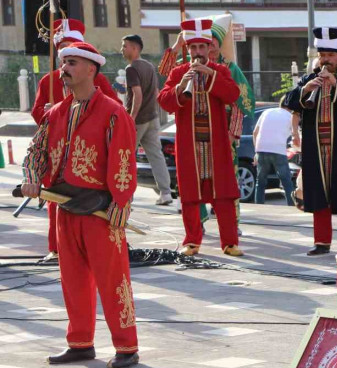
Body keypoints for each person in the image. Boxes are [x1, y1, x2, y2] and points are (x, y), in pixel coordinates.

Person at [21, 42, 139, 368]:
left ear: (91, 69)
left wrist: (121, 201)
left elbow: (124, 157)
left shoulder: (113, 112)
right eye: (63, 63)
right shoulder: (56, 112)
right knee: (71, 279)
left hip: (100, 210)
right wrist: (32, 176)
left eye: (71, 62)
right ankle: (80, 342)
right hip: (64, 206)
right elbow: (36, 151)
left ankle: (127, 346)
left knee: (113, 279)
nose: (64, 69)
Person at [31, 18, 122, 263]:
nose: (66, 64)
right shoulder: (48, 81)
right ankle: (56, 247)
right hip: (57, 152)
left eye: (73, 55)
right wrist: (47, 112)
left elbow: (116, 109)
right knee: (54, 199)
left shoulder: (98, 81)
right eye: (64, 56)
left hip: (89, 155)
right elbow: (37, 113)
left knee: (93, 205)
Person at [157, 18, 244, 257]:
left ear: (209, 48)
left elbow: (233, 95)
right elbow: (163, 101)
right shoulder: (179, 72)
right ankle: (192, 241)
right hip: (189, 144)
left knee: (223, 194)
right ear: (188, 50)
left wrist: (211, 76)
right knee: (190, 195)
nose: (197, 52)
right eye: (193, 48)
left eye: (201, 47)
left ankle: (229, 242)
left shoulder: (221, 70)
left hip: (216, 143)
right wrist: (179, 88)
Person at [283, 27, 337, 255]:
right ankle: (321, 242)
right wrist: (305, 89)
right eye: (322, 55)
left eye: (330, 55)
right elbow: (288, 101)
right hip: (316, 149)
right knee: (318, 195)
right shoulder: (310, 78)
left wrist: (335, 84)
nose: (326, 59)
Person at [121, 34, 171, 206]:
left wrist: (131, 117)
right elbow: (156, 91)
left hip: (138, 120)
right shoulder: (149, 66)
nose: (122, 49)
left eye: (125, 46)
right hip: (152, 117)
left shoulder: (131, 68)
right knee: (156, 155)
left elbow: (137, 94)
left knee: (126, 157)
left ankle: (127, 196)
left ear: (135, 48)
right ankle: (165, 193)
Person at [253, 101, 295, 206]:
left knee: (260, 181)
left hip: (261, 148)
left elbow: (255, 133)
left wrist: (256, 151)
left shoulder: (266, 112)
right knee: (286, 180)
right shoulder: (291, 116)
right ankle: (291, 205)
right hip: (278, 149)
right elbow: (295, 136)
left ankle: (259, 205)